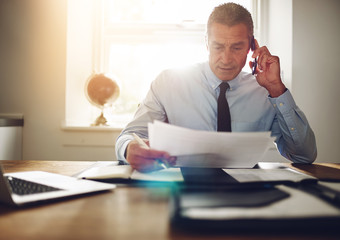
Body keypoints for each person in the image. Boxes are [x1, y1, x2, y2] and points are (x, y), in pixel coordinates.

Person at [115, 3, 317, 172]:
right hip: (184, 189)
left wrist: (277, 89)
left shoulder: (266, 91)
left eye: (237, 47)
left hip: (247, 195)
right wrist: (130, 148)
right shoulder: (169, 82)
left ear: (252, 46)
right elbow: (129, 136)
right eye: (218, 47)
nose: (226, 59)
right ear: (206, 44)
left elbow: (304, 155)